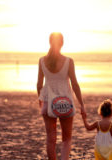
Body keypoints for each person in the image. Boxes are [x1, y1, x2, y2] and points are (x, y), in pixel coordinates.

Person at [37, 32, 86, 160]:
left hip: (48, 101)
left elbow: (39, 84)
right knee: (67, 138)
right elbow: (75, 84)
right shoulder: (69, 61)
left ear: (49, 42)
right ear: (62, 43)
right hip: (66, 101)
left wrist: (40, 100)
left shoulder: (42, 61)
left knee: (50, 138)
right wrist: (82, 104)